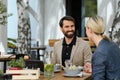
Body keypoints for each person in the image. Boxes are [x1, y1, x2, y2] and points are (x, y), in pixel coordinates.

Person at [86, 16, 120, 80]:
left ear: (89, 30)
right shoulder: (112, 45)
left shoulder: (99, 53)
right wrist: (95, 68)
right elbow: (112, 68)